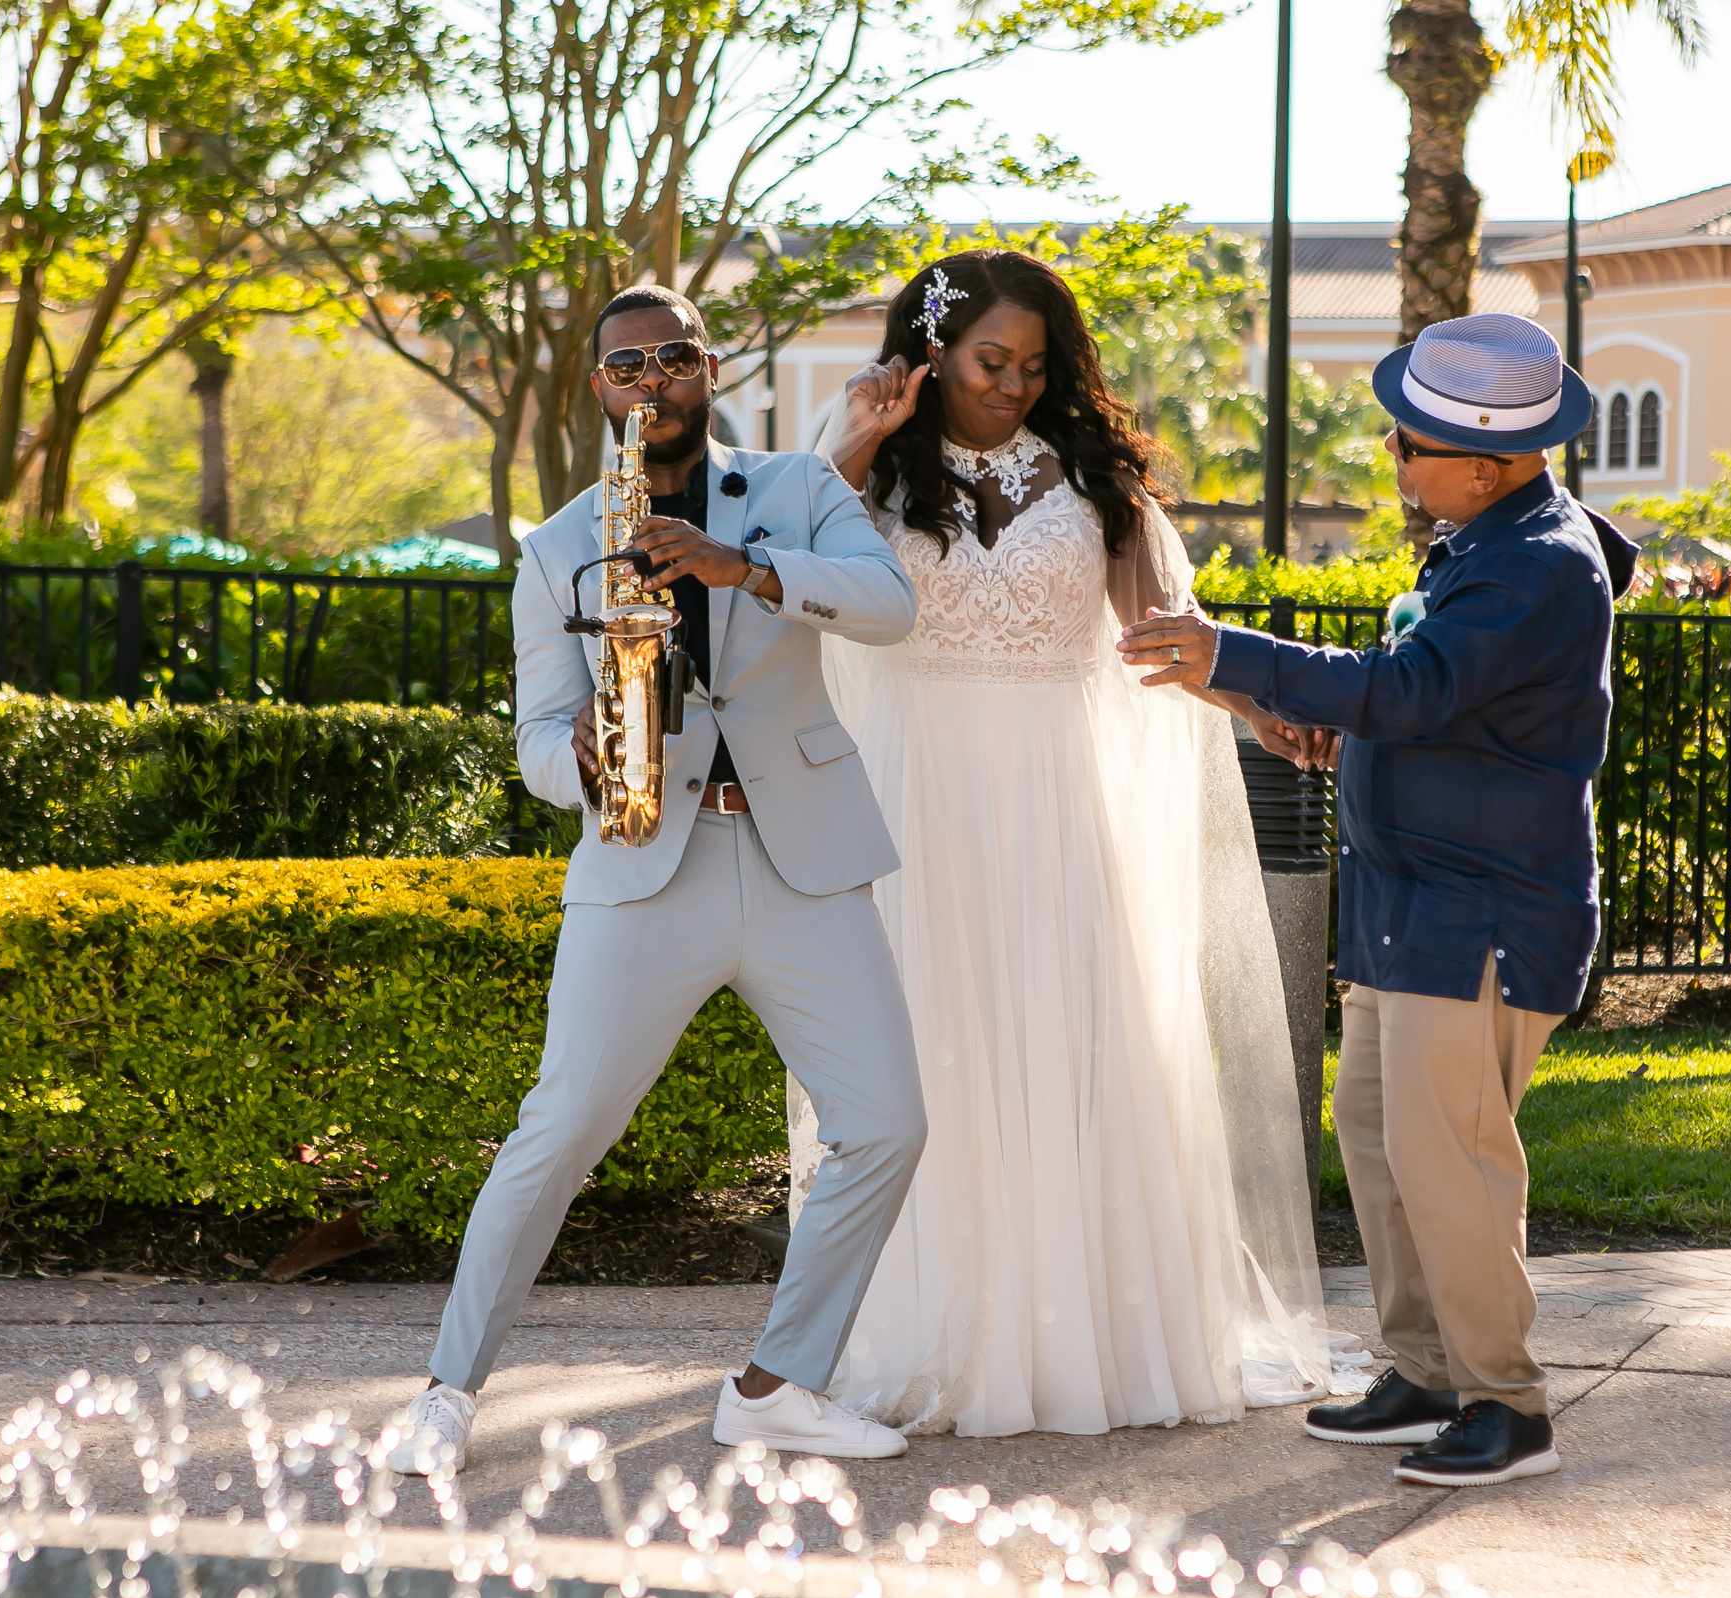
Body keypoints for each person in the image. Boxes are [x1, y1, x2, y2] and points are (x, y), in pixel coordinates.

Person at [383, 284, 928, 1473]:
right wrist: (571, 758)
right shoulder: (557, 543)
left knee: (888, 1126)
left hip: (803, 861)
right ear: (600, 390)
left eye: (673, 359)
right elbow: (530, 730)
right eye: (626, 367)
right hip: (638, 862)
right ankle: (443, 1393)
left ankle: (779, 1384)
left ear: (710, 367)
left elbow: (893, 606)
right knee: (560, 1129)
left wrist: (746, 570)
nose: (653, 383)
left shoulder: (795, 491)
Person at [806, 250, 1341, 1437]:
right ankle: (938, 1334)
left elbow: (1165, 633)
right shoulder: (866, 473)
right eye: (992, 361)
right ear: (931, 349)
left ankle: (1091, 1334)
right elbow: (777, 565)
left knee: (1078, 1040)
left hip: (1060, 808)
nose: (1011, 386)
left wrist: (1258, 708)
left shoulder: (1093, 478)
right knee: (931, 1063)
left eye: (1035, 367)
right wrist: (856, 433)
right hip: (918, 813)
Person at [1120, 311, 1630, 1487]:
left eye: (1410, 447)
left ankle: (1506, 1403)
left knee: (1450, 1161)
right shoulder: (1481, 545)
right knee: (1380, 1139)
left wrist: (1231, 658)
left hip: (1484, 913)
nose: (1392, 463)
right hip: (1415, 907)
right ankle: (1426, 1373)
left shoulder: (1538, 561)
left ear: (1489, 462)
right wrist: (1332, 730)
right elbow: (1436, 714)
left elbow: (1412, 688)